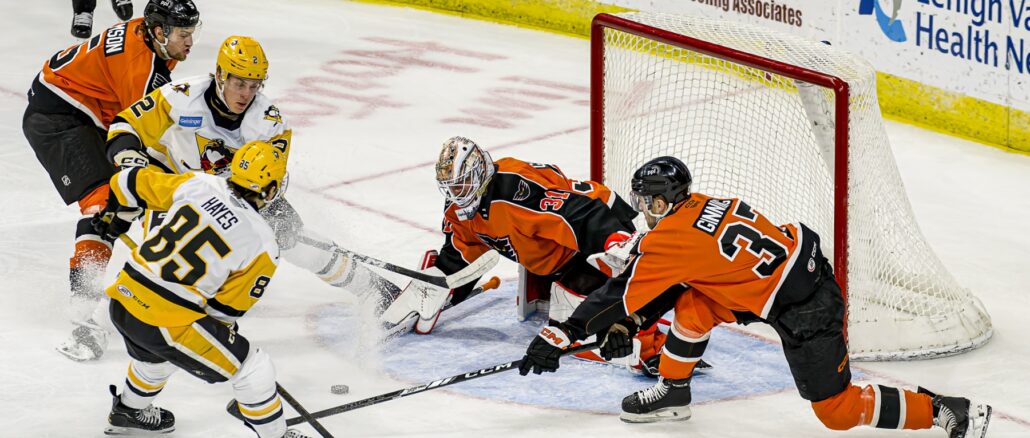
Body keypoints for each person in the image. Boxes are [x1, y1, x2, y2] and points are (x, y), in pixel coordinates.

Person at [518, 155, 992, 437]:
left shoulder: (668, 240)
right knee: (692, 307)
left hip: (805, 307)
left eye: (647, 202)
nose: (642, 211)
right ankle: (675, 391)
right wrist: (629, 325)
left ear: (663, 200)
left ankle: (948, 410)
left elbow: (618, 292)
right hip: (780, 279)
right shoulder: (706, 204)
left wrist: (562, 333)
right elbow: (675, 284)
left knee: (837, 411)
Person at [90, 35, 400, 356]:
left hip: (233, 195)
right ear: (221, 74)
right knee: (155, 256)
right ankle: (93, 323)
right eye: (239, 83)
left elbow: (270, 176)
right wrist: (130, 161)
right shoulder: (181, 98)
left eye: (255, 85)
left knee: (293, 241)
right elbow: (126, 125)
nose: (247, 94)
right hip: (176, 187)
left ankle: (373, 288)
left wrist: (277, 208)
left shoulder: (269, 122)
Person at [381, 136, 668, 372]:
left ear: (480, 172)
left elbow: (580, 215)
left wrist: (616, 242)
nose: (457, 193)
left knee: (576, 327)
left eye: (463, 183)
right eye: (452, 187)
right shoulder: (461, 207)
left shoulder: (516, 193)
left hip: (598, 227)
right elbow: (462, 253)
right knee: (564, 320)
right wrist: (444, 290)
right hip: (552, 246)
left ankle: (650, 347)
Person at [94, 140, 311, 438]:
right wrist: (242, 378)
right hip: (164, 320)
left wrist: (115, 218)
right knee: (253, 367)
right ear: (271, 190)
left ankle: (129, 411)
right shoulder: (263, 244)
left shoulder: (199, 183)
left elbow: (126, 179)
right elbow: (223, 314)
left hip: (122, 298)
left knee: (156, 356)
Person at [23, 0, 199, 362]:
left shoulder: (147, 34)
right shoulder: (142, 69)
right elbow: (148, 134)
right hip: (59, 119)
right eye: (184, 34)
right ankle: (81, 315)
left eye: (192, 33)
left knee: (142, 189)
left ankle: (174, 277)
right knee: (108, 202)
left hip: (87, 109)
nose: (190, 43)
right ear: (160, 31)